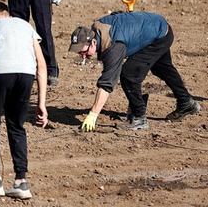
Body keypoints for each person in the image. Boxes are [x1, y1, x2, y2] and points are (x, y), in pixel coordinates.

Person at [69, 11, 200, 131]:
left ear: (92, 42)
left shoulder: (113, 46)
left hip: (158, 35)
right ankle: (186, 102)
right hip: (159, 27)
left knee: (128, 75)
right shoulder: (97, 28)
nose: (83, 56)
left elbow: (107, 84)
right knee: (163, 69)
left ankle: (139, 117)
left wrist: (93, 114)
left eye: (83, 52)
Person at [0, 1, 48, 199]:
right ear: (8, 13)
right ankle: (21, 182)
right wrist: (41, 103)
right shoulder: (26, 25)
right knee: (17, 125)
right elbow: (41, 66)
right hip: (26, 73)